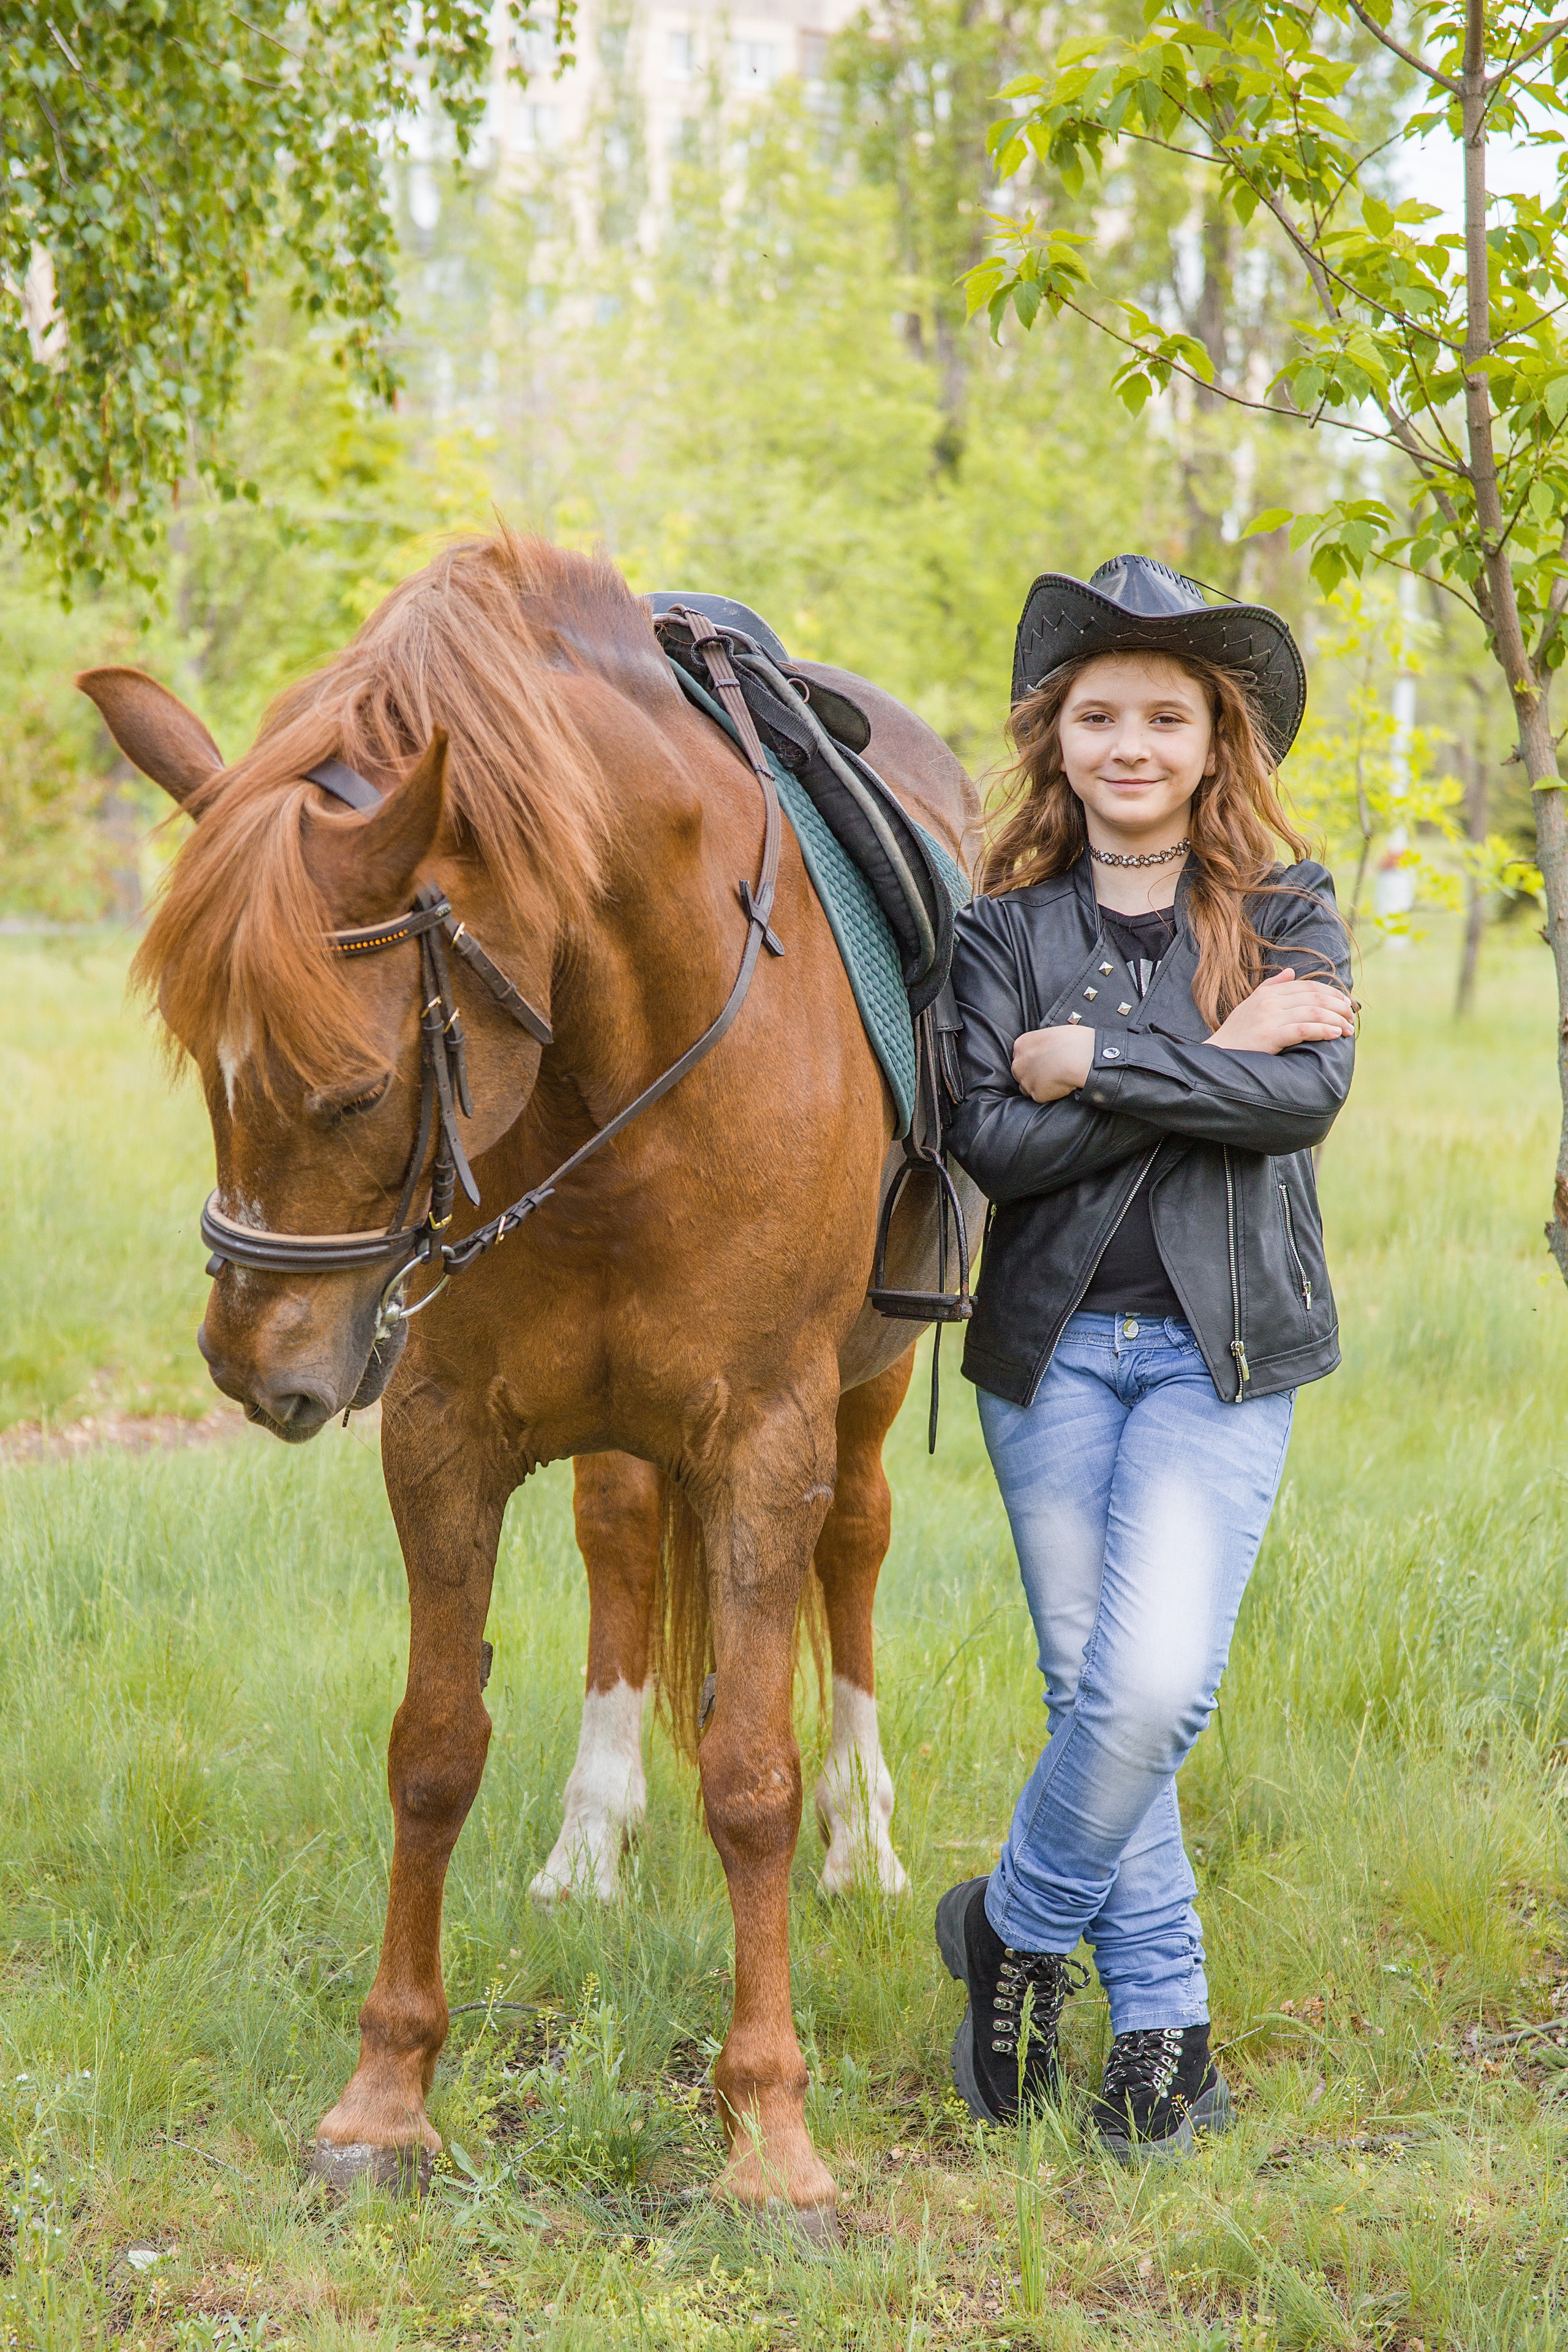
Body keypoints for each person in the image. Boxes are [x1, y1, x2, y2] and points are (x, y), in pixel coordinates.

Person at [937, 554, 1355, 2162]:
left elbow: (1302, 1104)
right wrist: (1203, 1058)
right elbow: (990, 1137)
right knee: (1096, 1691)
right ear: (1058, 739)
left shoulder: (1284, 909)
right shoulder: (1001, 934)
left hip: (1219, 1352)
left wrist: (1098, 1058)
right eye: (1099, 713)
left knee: (1153, 1685)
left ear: (1212, 743)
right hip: (1050, 1355)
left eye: (1164, 717)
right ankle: (1167, 2044)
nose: (1131, 742)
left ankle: (1016, 1934)